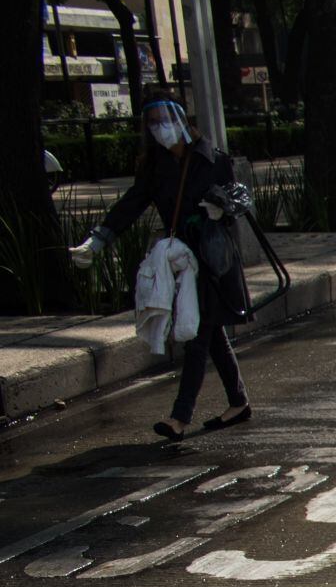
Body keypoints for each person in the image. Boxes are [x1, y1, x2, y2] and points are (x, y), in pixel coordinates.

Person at [69, 89, 253, 439]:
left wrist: (222, 208)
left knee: (197, 334)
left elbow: (238, 201)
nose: (160, 129)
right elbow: (131, 204)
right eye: (152, 123)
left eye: (165, 121)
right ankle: (239, 402)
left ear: (182, 120)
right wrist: (99, 239)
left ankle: (179, 418)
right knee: (208, 332)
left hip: (213, 259)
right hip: (182, 260)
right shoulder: (155, 167)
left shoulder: (212, 158)